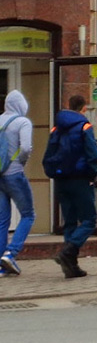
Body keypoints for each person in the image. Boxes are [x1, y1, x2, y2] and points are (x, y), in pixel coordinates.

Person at [47, 95, 97, 278]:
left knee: (70, 221)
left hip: (62, 179)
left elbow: (49, 153)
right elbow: (93, 154)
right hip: (80, 178)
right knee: (89, 220)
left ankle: (71, 265)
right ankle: (68, 252)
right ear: (84, 108)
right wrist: (92, 173)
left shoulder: (57, 128)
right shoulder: (84, 127)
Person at [0, 89, 35, 277]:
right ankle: (10, 254)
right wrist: (22, 162)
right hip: (14, 174)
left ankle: (0, 266)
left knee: (2, 220)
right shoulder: (23, 122)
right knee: (28, 215)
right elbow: (26, 147)